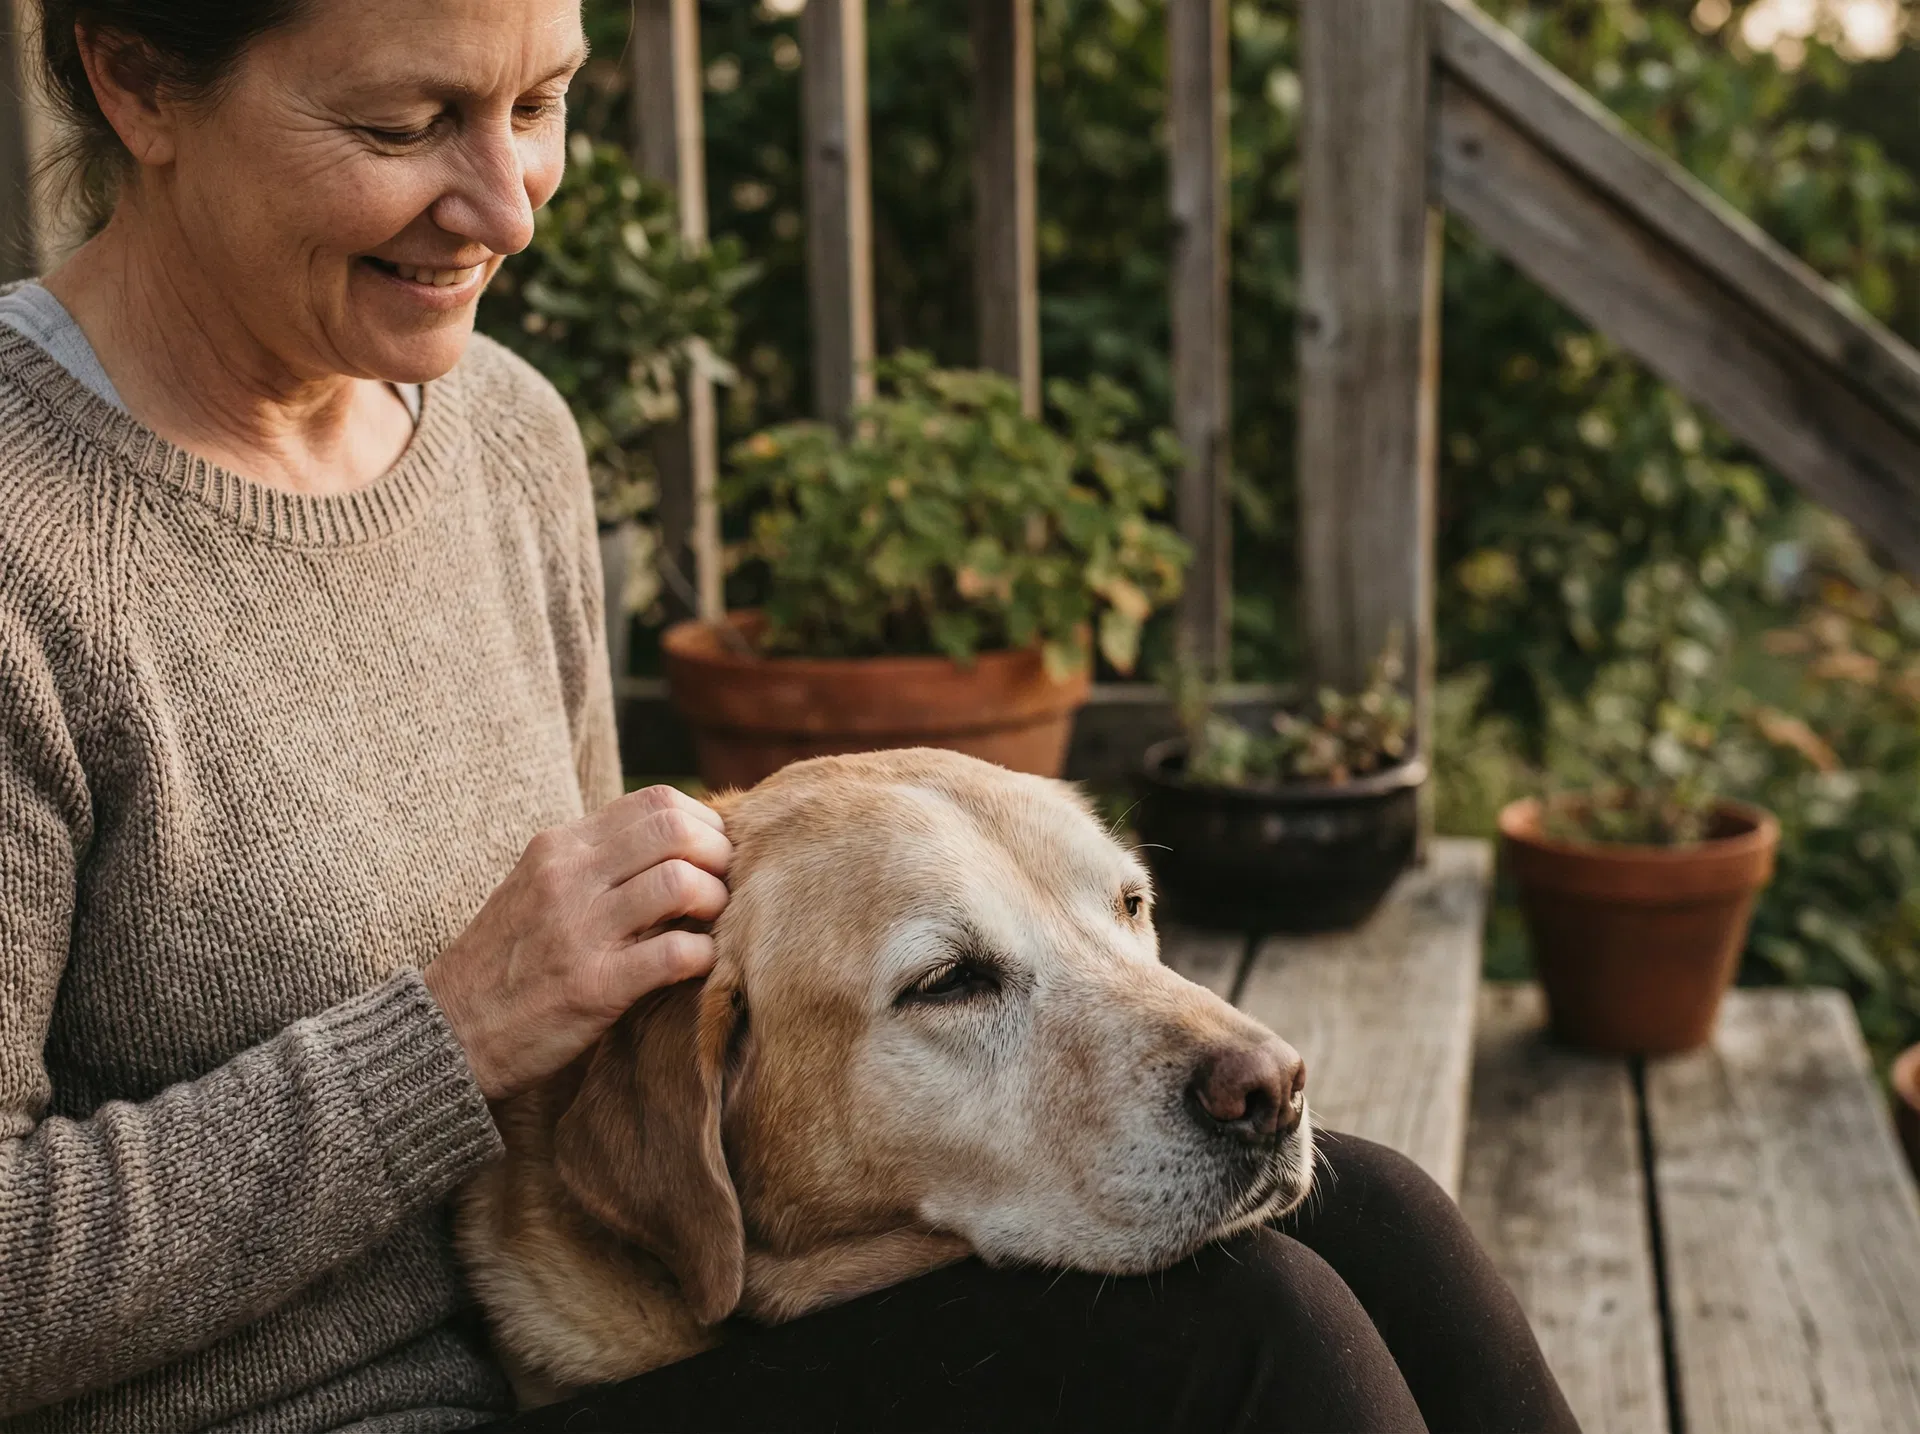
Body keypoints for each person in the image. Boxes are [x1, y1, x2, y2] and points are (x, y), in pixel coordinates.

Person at [0, 1, 1580, 1430]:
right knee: (1234, 1339)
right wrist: (447, 1039)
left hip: (590, 1354)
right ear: (134, 78)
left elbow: (631, 1004)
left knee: (1369, 1211)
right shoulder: (25, 543)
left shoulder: (501, 438)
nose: (502, 206)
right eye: (404, 128)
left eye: (541, 103)